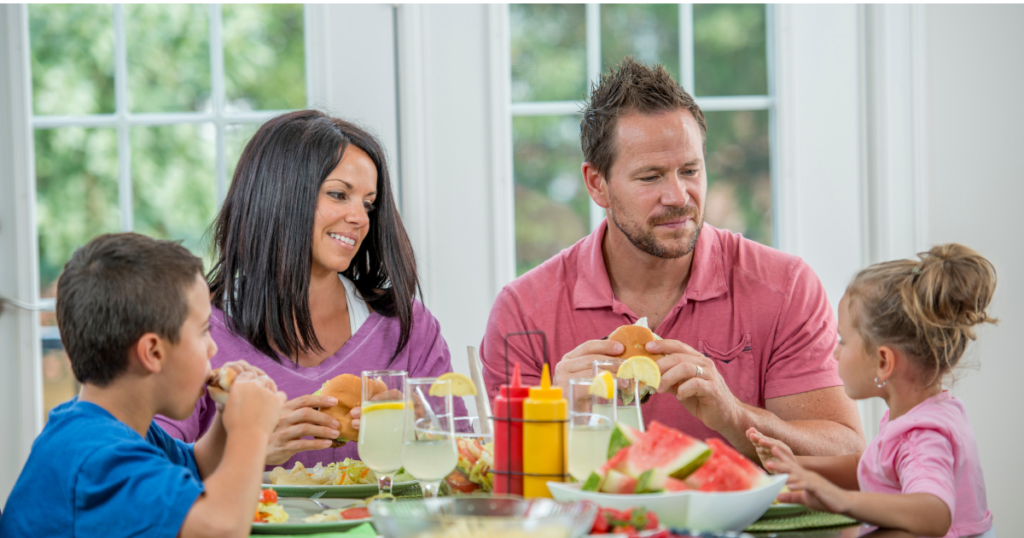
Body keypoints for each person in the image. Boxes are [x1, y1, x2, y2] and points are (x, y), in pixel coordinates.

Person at [481, 58, 864, 460]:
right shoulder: (523, 310)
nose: (679, 197)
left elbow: (847, 454)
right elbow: (501, 481)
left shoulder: (785, 287)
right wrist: (555, 416)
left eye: (690, 170)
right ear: (597, 184)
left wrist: (734, 416)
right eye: (650, 177)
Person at [156, 110, 465, 469]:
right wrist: (248, 449)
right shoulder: (197, 331)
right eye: (339, 194)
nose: (361, 218)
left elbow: (457, 467)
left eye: (369, 203)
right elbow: (146, 479)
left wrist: (416, 438)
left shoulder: (408, 328)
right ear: (279, 195)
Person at [0, 233, 284, 538]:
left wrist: (227, 422)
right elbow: (219, 529)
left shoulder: (117, 429)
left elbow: (197, 469)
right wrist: (250, 430)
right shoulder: (96, 458)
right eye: (203, 332)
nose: (213, 349)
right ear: (153, 352)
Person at [748, 244, 996, 538]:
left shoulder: (921, 437)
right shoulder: (926, 414)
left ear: (883, 361)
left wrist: (843, 500)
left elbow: (935, 512)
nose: (835, 354)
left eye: (843, 340)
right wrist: (795, 465)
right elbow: (867, 467)